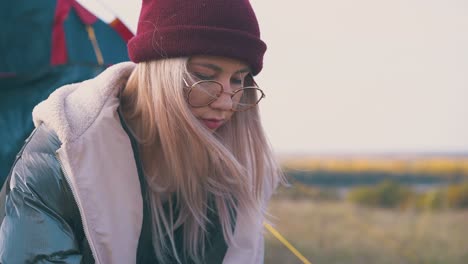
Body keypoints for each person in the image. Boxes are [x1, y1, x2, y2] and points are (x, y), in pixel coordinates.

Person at [0, 0, 284, 263]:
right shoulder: (59, 159)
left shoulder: (238, 167)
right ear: (160, 71)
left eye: (238, 79)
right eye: (204, 76)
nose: (226, 102)